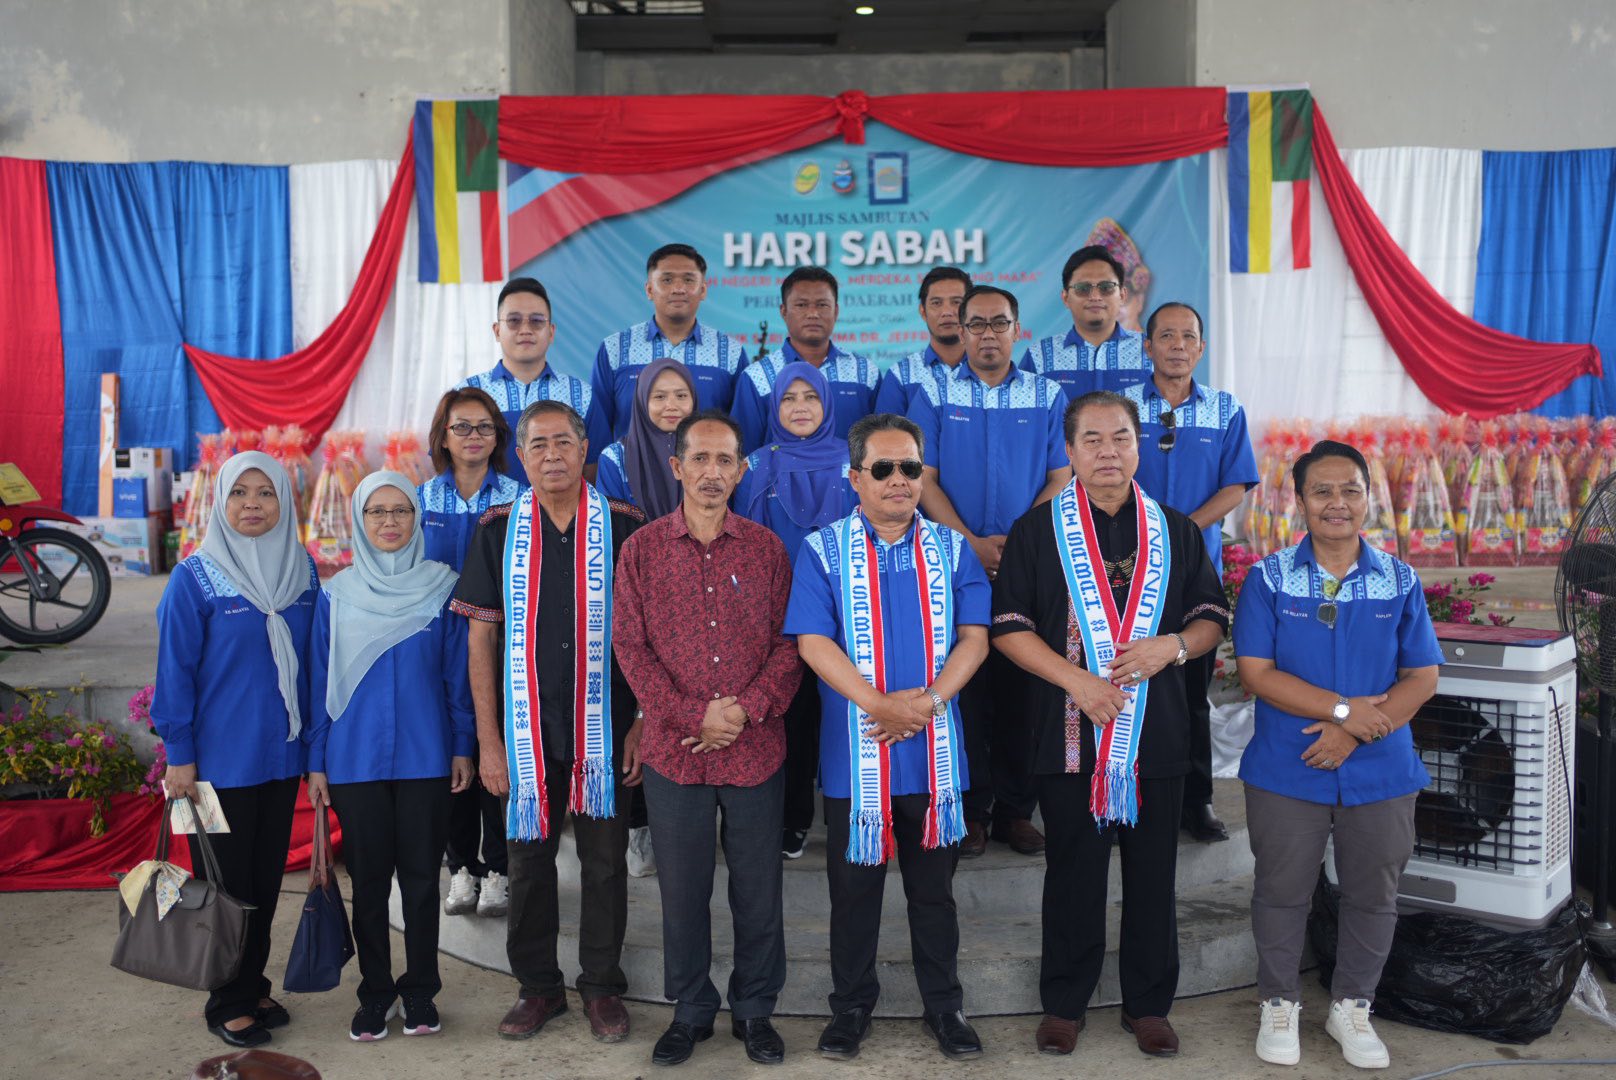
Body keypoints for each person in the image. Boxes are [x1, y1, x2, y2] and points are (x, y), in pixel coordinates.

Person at [992, 391, 1228, 1059]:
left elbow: (1211, 618)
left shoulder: (1175, 530)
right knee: (1073, 872)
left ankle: (1148, 1005)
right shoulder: (1037, 531)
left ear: (1138, 445)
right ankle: (1064, 1003)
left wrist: (1170, 648)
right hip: (1069, 734)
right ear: (1069, 451)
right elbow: (1008, 629)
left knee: (1154, 875)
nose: (1107, 452)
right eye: (1091, 440)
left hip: (1158, 734)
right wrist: (1078, 682)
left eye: (1120, 437)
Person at [785, 412, 991, 1062]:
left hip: (934, 760)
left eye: (910, 467)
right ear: (855, 478)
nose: (899, 479)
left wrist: (927, 703)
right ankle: (850, 1009)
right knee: (853, 897)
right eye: (883, 468)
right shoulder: (821, 550)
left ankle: (945, 1008)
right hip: (857, 756)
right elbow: (813, 642)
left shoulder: (953, 549)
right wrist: (880, 706)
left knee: (934, 896)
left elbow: (975, 640)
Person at [1234, 439, 1442, 1071]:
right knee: (1282, 892)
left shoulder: (1399, 580)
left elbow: (1422, 676)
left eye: (1351, 489)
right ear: (1299, 500)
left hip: (1381, 767)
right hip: (1287, 766)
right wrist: (1346, 711)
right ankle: (1279, 1004)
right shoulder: (1269, 579)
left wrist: (1351, 732)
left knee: (1373, 894)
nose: (1337, 502)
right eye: (1322, 491)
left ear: (1368, 498)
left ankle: (1352, 1007)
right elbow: (1257, 672)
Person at [451, 400, 646, 1044]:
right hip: (524, 733)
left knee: (605, 864)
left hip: (605, 731)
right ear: (520, 457)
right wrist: (488, 742)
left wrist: (643, 721)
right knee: (528, 863)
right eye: (538, 444)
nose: (552, 455)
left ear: (585, 450)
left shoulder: (625, 527)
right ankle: (537, 988)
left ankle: (601, 985)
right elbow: (480, 640)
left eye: (564, 442)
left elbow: (652, 636)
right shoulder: (496, 531)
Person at [613, 410, 801, 1067]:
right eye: (701, 459)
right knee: (683, 892)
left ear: (742, 470)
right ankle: (691, 1010)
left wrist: (743, 711)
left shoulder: (768, 550)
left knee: (758, 892)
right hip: (675, 753)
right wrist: (692, 716)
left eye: (726, 460)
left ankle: (754, 1011)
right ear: (677, 467)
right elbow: (630, 647)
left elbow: (790, 644)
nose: (713, 472)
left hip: (756, 749)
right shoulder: (641, 551)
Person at [151, 451, 320, 1048]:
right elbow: (174, 671)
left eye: (266, 492)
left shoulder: (302, 572)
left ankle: (252, 983)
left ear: (285, 502)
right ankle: (227, 1000)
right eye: (239, 492)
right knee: (224, 889)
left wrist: (314, 752)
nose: (253, 504)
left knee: (265, 882)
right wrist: (178, 754)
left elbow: (312, 667)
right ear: (219, 502)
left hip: (280, 759)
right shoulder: (194, 578)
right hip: (213, 766)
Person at [305, 472, 473, 1042]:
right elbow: (319, 682)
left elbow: (457, 679)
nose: (389, 521)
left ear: (416, 517)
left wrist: (462, 746)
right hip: (354, 761)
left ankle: (421, 992)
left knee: (423, 882)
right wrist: (317, 760)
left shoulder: (443, 588)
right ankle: (375, 994)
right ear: (359, 520)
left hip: (427, 757)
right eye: (376, 511)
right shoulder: (337, 594)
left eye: (401, 510)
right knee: (370, 884)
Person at [907, 284, 1069, 857]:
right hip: (955, 563)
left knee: (1025, 689)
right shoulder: (933, 391)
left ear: (1017, 330)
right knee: (966, 689)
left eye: (999, 323)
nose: (987, 334)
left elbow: (1060, 477)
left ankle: (1016, 812)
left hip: (1029, 564)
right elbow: (922, 477)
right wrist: (968, 543)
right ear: (961, 329)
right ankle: (972, 811)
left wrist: (1019, 543)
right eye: (976, 324)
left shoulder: (1047, 395)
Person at [1123, 303, 1259, 843]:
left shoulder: (1225, 409)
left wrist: (1181, 530)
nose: (1177, 345)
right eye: (1166, 336)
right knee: (1127, 681)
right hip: (1126, 567)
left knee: (1192, 690)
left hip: (1196, 570)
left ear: (1201, 348)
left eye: (1188, 337)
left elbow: (1235, 485)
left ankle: (1196, 800)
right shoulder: (1123, 406)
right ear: (1148, 346)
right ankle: (1125, 793)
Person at [734, 362, 859, 858]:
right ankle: (793, 817)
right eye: (789, 398)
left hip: (848, 615)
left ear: (828, 404)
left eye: (811, 397)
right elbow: (741, 543)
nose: (800, 407)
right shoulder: (754, 465)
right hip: (776, 618)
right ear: (774, 407)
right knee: (788, 716)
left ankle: (855, 814)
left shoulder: (856, 461)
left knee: (845, 710)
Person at [418, 387, 520, 918]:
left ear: (498, 437)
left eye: (484, 427)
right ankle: (460, 866)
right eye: (461, 427)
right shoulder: (419, 499)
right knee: (452, 754)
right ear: (443, 437)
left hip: (499, 643)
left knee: (495, 751)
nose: (473, 436)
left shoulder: (518, 496)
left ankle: (499, 868)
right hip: (438, 645)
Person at [591, 244, 749, 441]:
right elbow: (598, 428)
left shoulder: (730, 352)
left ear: (702, 290)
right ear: (649, 289)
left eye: (688, 280)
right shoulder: (615, 348)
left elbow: (742, 432)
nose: (678, 289)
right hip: (629, 462)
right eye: (667, 280)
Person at [457, 277, 605, 478]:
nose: (525, 330)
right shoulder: (467, 395)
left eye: (536, 321)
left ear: (551, 332)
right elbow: (447, 466)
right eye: (514, 321)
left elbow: (593, 471)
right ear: (497, 331)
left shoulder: (581, 395)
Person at [731, 266, 880, 453]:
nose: (813, 313)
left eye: (822, 305)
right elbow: (744, 453)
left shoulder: (864, 373)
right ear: (783, 311)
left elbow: (879, 443)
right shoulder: (756, 377)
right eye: (801, 305)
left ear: (836, 311)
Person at [1020, 245, 1150, 400]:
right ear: (1065, 298)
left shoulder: (1151, 351)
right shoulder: (1039, 356)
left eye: (1106, 287)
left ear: (1122, 295)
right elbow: (1021, 411)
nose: (1095, 296)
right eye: (1082, 288)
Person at [595, 358, 698, 520]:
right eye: (659, 397)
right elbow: (613, 523)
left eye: (681, 395)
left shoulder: (708, 452)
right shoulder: (615, 458)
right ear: (642, 400)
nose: (672, 405)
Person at [873, 266, 971, 416]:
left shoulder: (990, 371)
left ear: (971, 310)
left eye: (956, 302)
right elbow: (886, 430)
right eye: (936, 303)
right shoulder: (901, 375)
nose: (947, 312)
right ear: (923, 311)